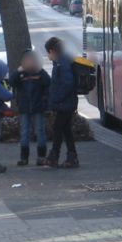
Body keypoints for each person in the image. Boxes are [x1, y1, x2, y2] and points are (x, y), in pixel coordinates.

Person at [9, 49, 50, 166]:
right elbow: (11, 81)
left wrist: (40, 70)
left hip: (38, 106)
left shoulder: (39, 73)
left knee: (40, 131)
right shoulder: (21, 74)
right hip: (24, 107)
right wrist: (18, 71)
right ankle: (24, 157)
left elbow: (48, 83)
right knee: (25, 132)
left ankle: (41, 156)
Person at [44, 37, 79, 169]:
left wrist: (56, 98)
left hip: (65, 103)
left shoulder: (62, 62)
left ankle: (54, 156)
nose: (47, 56)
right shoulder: (61, 61)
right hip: (67, 102)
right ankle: (71, 156)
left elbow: (67, 83)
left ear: (52, 51)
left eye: (47, 52)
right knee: (65, 129)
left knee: (58, 129)